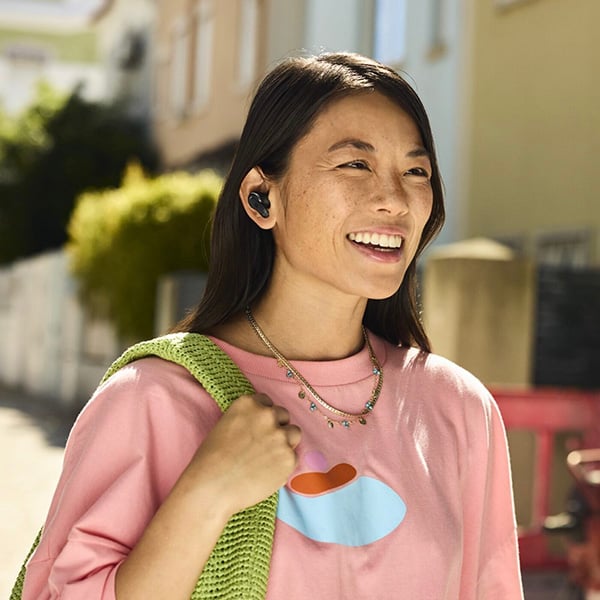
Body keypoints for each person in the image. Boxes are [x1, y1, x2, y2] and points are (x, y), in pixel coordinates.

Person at [22, 52, 523, 599]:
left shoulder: (457, 409)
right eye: (355, 164)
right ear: (262, 196)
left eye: (416, 171)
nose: (395, 199)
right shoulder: (151, 400)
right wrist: (204, 495)